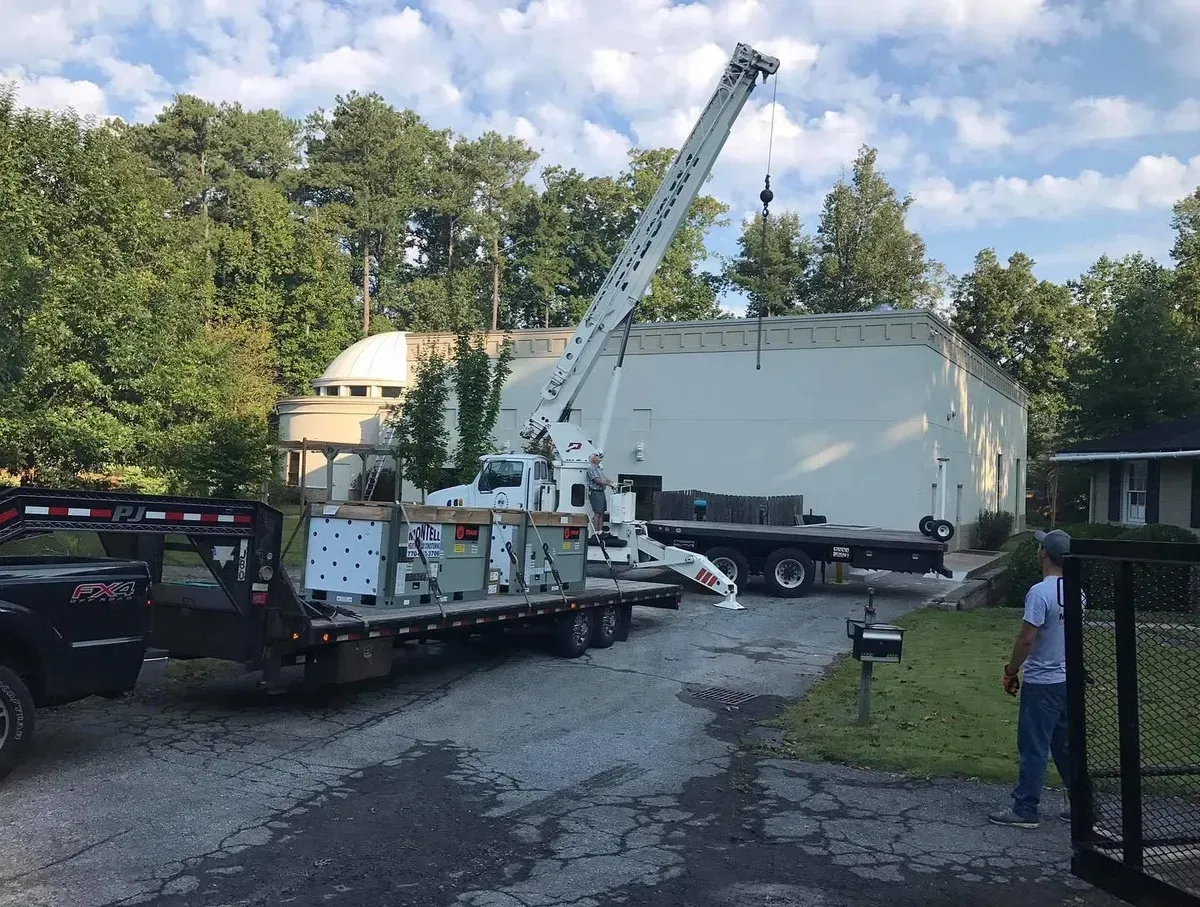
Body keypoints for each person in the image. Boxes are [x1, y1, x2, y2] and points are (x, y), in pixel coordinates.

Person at [989, 528, 1075, 829]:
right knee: (1065, 746)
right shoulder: (1077, 590)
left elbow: (1027, 639)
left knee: (1034, 745)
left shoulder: (1040, 592)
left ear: (1044, 554)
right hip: (1068, 680)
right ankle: (1083, 805)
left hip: (1042, 681)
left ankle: (1025, 808)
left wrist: (1011, 670)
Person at [586, 452, 616, 534]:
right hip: (595, 492)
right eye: (596, 456)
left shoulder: (598, 468)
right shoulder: (591, 469)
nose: (599, 457)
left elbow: (604, 478)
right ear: (593, 459)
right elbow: (597, 481)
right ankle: (596, 532)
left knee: (602, 511)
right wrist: (610, 485)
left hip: (601, 491)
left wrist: (612, 482)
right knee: (597, 512)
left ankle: (600, 531)